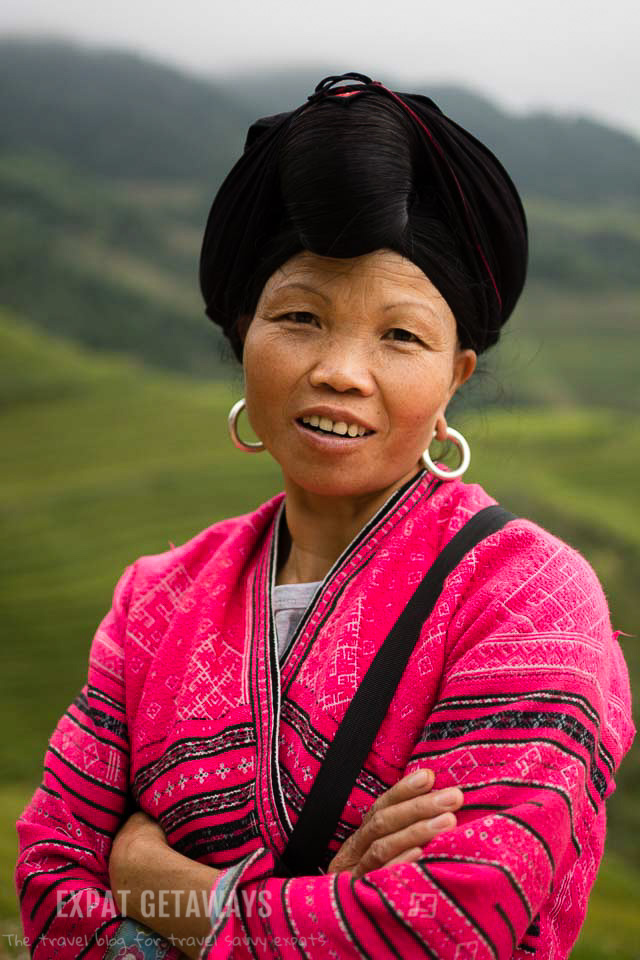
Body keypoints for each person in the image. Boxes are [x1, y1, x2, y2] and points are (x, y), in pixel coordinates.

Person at [16, 72, 634, 960]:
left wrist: (161, 883)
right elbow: (49, 886)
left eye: (400, 336)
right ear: (245, 337)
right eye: (300, 316)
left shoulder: (528, 599)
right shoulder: (155, 601)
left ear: (456, 375)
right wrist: (321, 907)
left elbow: (451, 921)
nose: (342, 370)